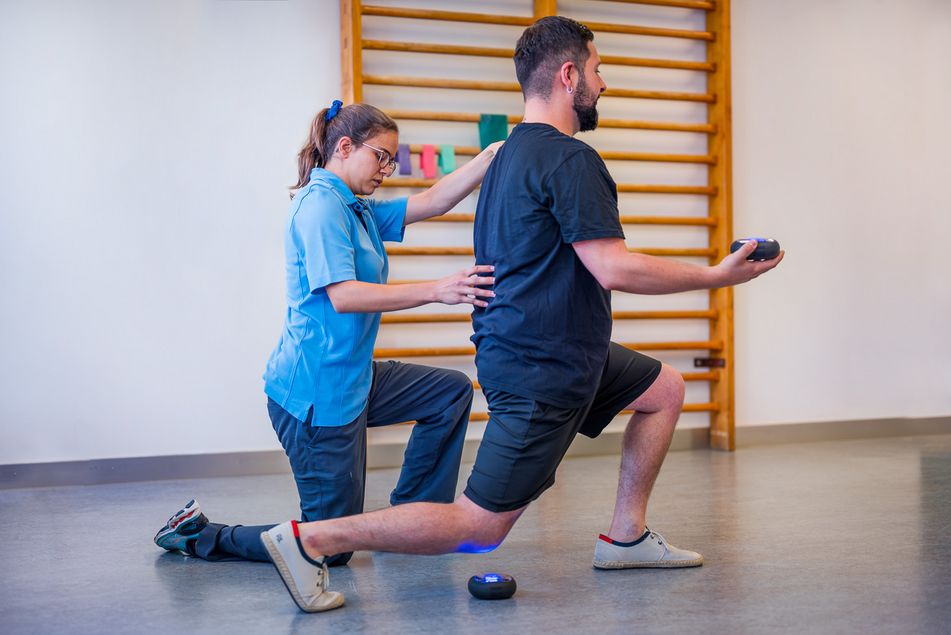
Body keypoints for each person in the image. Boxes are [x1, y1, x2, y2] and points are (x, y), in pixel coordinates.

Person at [256, 17, 785, 614]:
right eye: (597, 70)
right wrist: (717, 276)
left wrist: (486, 157)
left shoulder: (503, 161)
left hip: (556, 350)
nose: (602, 84)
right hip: (537, 370)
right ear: (568, 76)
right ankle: (311, 538)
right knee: (478, 527)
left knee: (664, 388)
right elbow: (612, 268)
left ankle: (625, 535)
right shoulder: (567, 161)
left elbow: (432, 200)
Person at [153, 101, 504, 581]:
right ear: (344, 147)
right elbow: (344, 296)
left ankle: (411, 518)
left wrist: (490, 157)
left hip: (352, 378)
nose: (387, 169)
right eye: (381, 157)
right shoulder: (319, 208)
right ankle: (200, 535)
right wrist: (438, 290)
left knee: (448, 392)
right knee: (332, 547)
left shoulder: (354, 207)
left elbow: (433, 200)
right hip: (317, 397)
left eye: (391, 160)